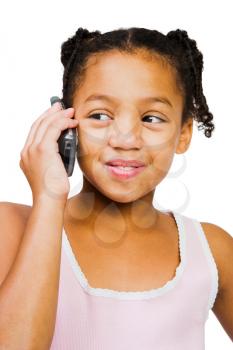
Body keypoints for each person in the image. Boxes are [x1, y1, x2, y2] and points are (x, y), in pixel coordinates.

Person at [0, 27, 232, 349]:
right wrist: (49, 196)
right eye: (99, 115)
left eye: (151, 118)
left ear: (183, 134)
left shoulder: (210, 249)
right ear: (65, 123)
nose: (125, 140)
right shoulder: (11, 229)